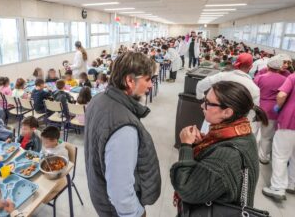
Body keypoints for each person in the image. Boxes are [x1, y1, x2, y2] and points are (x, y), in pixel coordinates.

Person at [85, 52, 161, 217]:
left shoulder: (97, 100)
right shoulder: (123, 127)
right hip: (117, 210)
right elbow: (120, 191)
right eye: (147, 79)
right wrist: (135, 213)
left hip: (99, 191)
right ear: (129, 80)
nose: (150, 85)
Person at [171, 81, 267, 210]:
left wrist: (186, 146)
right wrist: (200, 145)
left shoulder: (226, 156)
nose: (202, 106)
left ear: (227, 112)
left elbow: (186, 190)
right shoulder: (242, 132)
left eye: (208, 103)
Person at [196, 53, 260, 133]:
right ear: (250, 67)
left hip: (213, 117)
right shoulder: (254, 88)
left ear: (236, 63)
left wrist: (203, 99)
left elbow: (200, 85)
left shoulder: (222, 76)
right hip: (233, 128)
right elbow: (253, 113)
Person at [262, 72, 295, 200]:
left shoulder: (292, 77)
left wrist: (279, 106)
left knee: (281, 155)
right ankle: (292, 184)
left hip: (290, 120)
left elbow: (281, 94)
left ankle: (277, 187)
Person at [254, 55, 287, 164]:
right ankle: (264, 157)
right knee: (267, 136)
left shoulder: (260, 77)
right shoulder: (285, 80)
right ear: (279, 68)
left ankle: (251, 151)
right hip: (273, 110)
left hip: (258, 108)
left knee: (253, 132)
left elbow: (253, 93)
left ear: (268, 66)